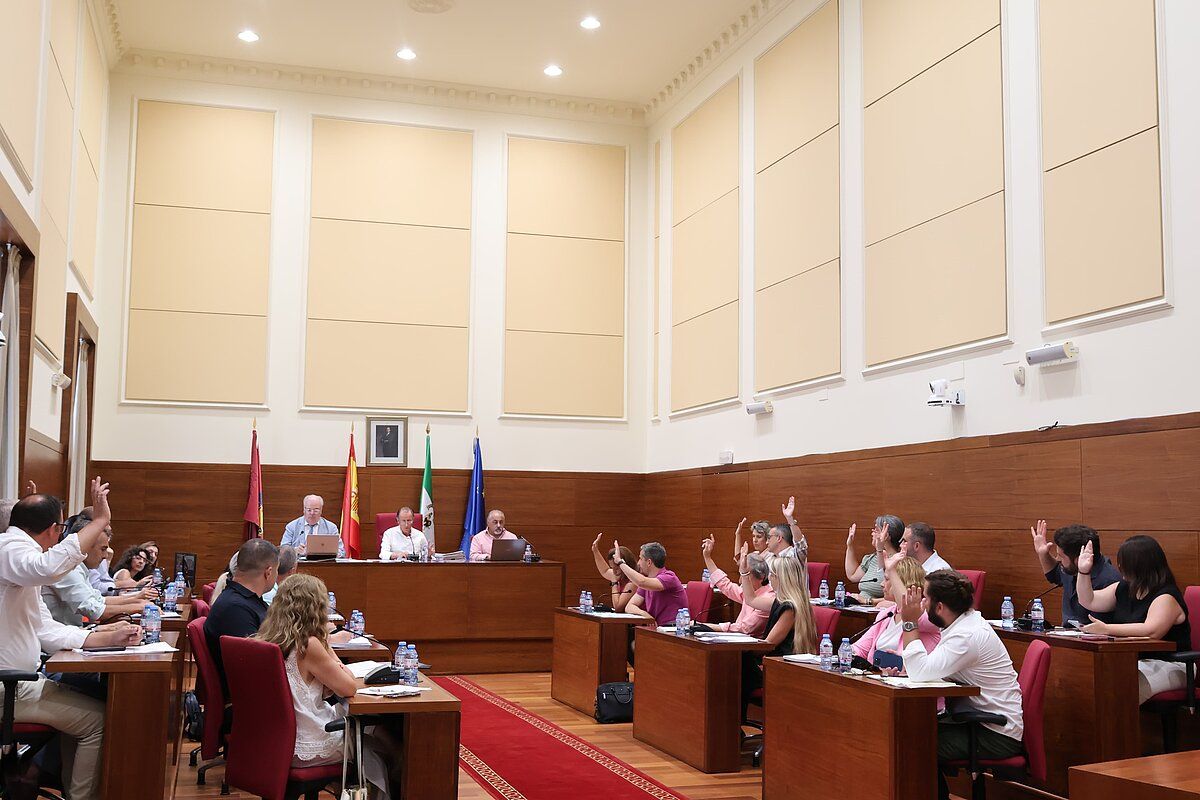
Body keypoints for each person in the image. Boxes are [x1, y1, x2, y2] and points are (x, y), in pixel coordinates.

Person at [0, 479, 142, 800]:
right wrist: (99, 522)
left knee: (84, 709)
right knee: (97, 721)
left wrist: (105, 637)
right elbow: (48, 567)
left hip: (20, 683)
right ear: (53, 529)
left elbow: (47, 631)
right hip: (8, 687)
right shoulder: (9, 550)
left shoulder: (18, 565)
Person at [897, 570, 1023, 800]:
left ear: (940, 607)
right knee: (906, 732)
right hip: (976, 720)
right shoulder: (962, 625)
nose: (922, 604)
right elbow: (930, 671)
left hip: (994, 732)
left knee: (912, 744)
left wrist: (909, 622)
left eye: (925, 598)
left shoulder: (966, 635)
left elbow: (920, 672)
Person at [254, 573, 355, 766]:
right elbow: (349, 688)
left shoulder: (267, 637)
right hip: (306, 742)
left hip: (274, 740)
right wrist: (326, 642)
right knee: (376, 748)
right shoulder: (308, 645)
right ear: (315, 609)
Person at [1076, 536, 1191, 703]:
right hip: (1136, 661)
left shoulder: (1167, 596)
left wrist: (1107, 629)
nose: (1120, 567)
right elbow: (1089, 600)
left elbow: (1152, 631)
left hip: (1174, 664)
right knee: (1095, 677)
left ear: (1140, 566)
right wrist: (1083, 572)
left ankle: (1115, 729)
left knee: (1120, 684)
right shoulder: (1125, 588)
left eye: (1124, 562)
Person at [736, 553, 819, 711]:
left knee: (737, 668)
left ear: (781, 578)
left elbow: (769, 644)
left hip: (782, 667)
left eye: (772, 575)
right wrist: (744, 572)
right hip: (774, 663)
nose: (770, 578)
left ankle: (736, 725)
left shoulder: (791, 607)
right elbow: (751, 599)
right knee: (737, 664)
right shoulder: (781, 601)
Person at [43, 514, 156, 625]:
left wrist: (138, 600)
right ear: (86, 545)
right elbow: (95, 611)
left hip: (71, 633)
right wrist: (139, 606)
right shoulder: (68, 569)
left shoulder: (79, 568)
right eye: (103, 549)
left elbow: (99, 600)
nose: (105, 556)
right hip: (62, 638)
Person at [205, 538, 280, 693]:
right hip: (251, 701)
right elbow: (253, 667)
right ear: (269, 572)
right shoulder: (235, 609)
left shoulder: (246, 601)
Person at [1030, 520, 1121, 625]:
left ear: (1079, 559)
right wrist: (1043, 554)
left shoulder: (1108, 580)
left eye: (1061, 556)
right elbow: (1054, 575)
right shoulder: (1071, 569)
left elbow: (1101, 627)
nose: (1057, 559)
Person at [852, 556, 940, 665]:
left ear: (904, 582)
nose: (882, 584)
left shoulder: (926, 614)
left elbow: (907, 607)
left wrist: (892, 571)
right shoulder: (886, 614)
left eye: (887, 579)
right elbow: (860, 648)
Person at [702, 535, 772, 636]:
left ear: (760, 577)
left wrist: (709, 627)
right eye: (741, 574)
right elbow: (725, 584)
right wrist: (707, 557)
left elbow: (746, 628)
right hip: (737, 640)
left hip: (752, 647)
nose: (740, 580)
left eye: (745, 574)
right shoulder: (748, 593)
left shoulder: (767, 598)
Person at [611, 540, 687, 625]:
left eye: (640, 559)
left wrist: (620, 562)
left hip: (673, 629)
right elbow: (630, 606)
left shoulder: (669, 577)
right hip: (657, 628)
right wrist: (644, 614)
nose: (638, 563)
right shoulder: (647, 581)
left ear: (649, 562)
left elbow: (641, 582)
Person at [845, 514, 905, 603]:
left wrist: (868, 601)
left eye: (876, 530)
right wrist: (849, 545)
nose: (872, 533)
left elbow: (898, 596)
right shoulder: (872, 558)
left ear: (886, 535)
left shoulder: (898, 562)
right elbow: (852, 576)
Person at [590, 534, 636, 612]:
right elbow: (605, 571)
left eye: (617, 568)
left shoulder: (634, 581)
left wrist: (614, 583)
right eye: (612, 568)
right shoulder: (619, 574)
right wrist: (595, 550)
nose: (614, 571)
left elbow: (617, 607)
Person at [763, 497, 808, 572]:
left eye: (769, 537)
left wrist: (790, 519)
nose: (767, 542)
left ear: (779, 538)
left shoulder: (794, 556)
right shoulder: (769, 557)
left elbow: (801, 545)